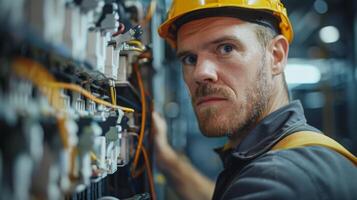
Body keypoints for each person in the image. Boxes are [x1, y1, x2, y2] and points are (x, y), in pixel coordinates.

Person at [153, 0, 357, 200]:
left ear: (276, 56)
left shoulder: (280, 179)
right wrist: (168, 162)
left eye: (226, 48)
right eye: (189, 59)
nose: (200, 73)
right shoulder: (299, 158)